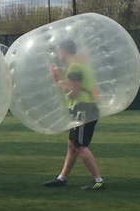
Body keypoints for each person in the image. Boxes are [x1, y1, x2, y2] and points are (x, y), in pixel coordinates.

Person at [43, 39, 106, 191]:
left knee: (80, 146)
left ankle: (98, 180)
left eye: (59, 50)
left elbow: (74, 92)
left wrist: (58, 80)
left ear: (64, 51)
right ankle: (62, 178)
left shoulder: (75, 67)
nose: (58, 53)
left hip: (82, 108)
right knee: (72, 145)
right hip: (86, 107)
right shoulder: (79, 65)